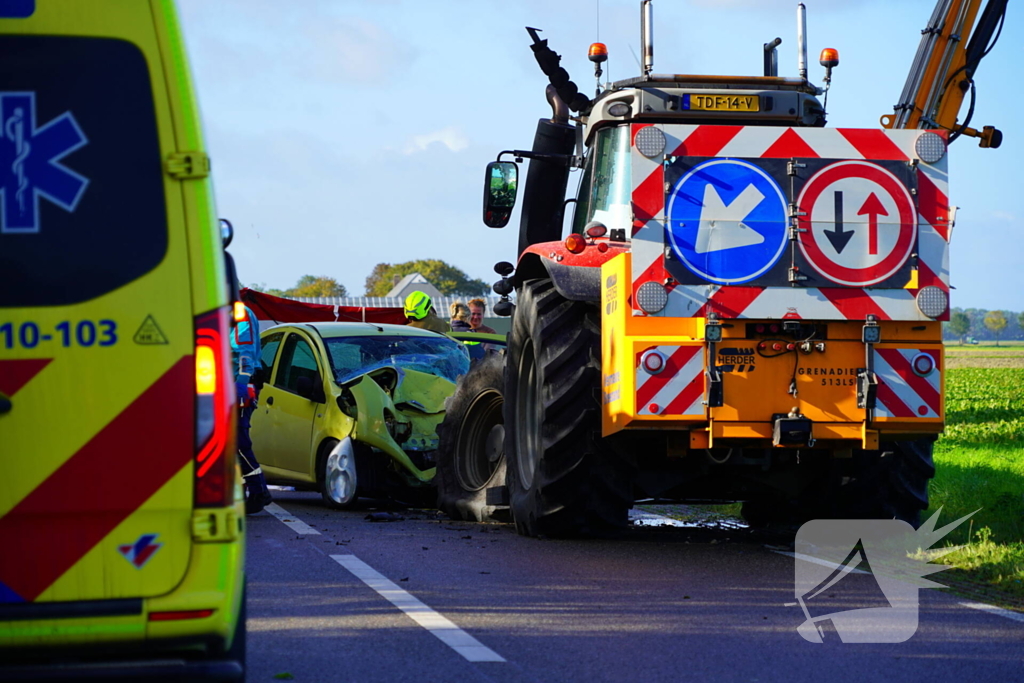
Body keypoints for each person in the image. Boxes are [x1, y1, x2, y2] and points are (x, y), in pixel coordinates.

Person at [231, 303, 273, 514]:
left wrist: (242, 380)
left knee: (238, 441)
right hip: (225, 383)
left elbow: (244, 350)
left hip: (239, 384)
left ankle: (259, 491)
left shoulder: (238, 312)